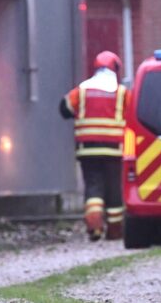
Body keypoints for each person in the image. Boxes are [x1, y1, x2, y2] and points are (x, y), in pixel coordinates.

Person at [60, 51, 127, 241]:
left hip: (88, 149)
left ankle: (95, 226)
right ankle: (115, 231)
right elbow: (132, 113)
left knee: (93, 185)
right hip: (114, 150)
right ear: (115, 69)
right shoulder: (121, 92)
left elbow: (64, 109)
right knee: (114, 188)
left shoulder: (82, 90)